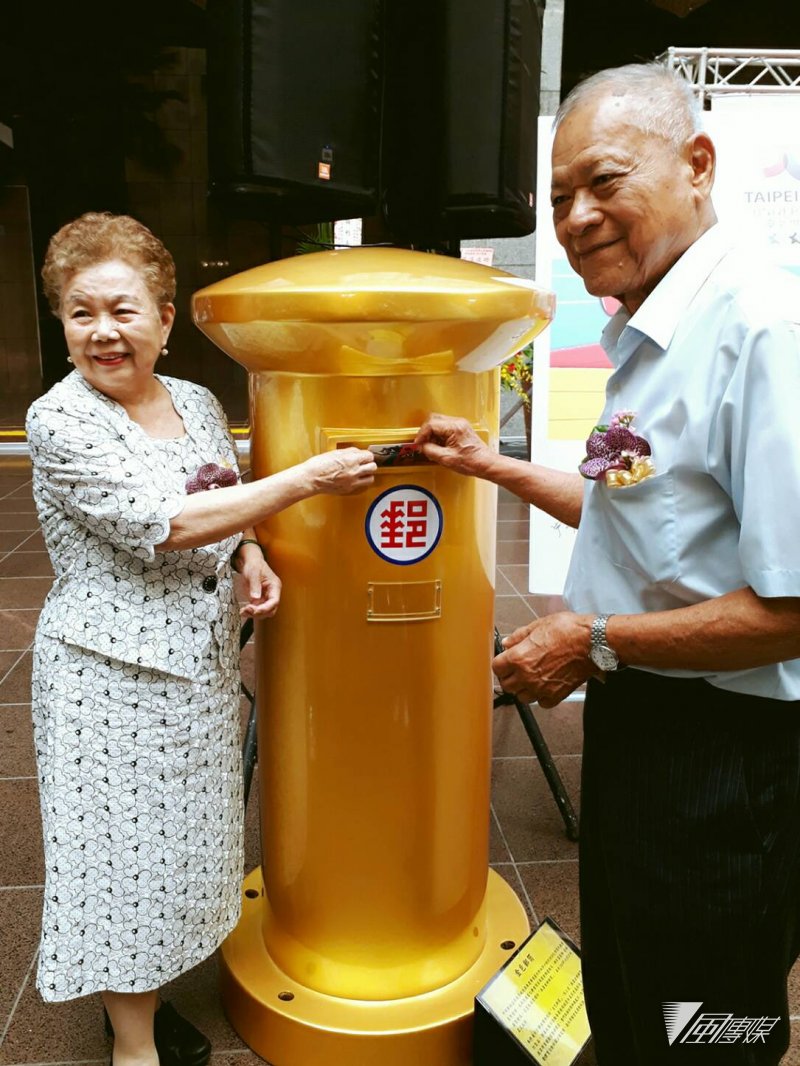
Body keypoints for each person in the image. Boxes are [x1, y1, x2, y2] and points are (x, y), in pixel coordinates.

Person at [415, 64, 800, 1065]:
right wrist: (485, 462)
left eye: (603, 182)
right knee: (627, 990)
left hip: (726, 756)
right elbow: (636, 512)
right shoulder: (646, 332)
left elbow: (792, 608)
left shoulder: (762, 331)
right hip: (637, 719)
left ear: (698, 164)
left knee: (711, 1024)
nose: (576, 217)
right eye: (556, 198)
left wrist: (585, 639)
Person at [26, 213, 377, 1066]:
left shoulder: (195, 402)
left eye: (124, 309)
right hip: (109, 679)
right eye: (81, 313)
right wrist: (304, 480)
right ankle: (133, 1045)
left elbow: (221, 503)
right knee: (120, 863)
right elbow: (167, 520)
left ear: (166, 316)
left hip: (202, 671)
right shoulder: (57, 419)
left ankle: (146, 998)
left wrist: (251, 550)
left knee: (182, 848)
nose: (104, 332)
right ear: (62, 323)